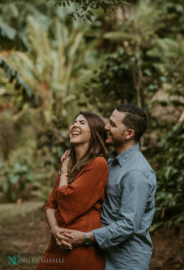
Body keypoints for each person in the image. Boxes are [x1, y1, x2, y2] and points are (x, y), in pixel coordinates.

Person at [60, 104, 157, 270]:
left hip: (126, 261)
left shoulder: (136, 172)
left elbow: (128, 225)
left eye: (112, 124)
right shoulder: (111, 162)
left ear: (129, 134)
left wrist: (85, 237)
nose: (106, 127)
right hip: (104, 254)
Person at [36, 112, 109, 270]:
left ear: (94, 132)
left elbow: (68, 199)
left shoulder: (98, 164)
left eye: (82, 123)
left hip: (81, 240)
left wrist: (64, 170)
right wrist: (55, 229)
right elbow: (50, 204)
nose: (75, 125)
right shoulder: (69, 163)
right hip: (59, 238)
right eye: (74, 121)